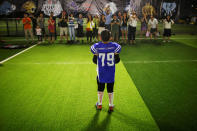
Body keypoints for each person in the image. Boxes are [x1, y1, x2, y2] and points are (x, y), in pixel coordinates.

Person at [90, 30, 121, 112]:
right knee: (110, 88)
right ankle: (111, 105)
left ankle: (99, 104)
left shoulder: (97, 46)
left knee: (100, 88)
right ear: (110, 37)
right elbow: (117, 60)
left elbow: (94, 60)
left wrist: (96, 54)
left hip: (101, 72)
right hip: (111, 72)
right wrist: (115, 53)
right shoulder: (115, 46)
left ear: (100, 37)